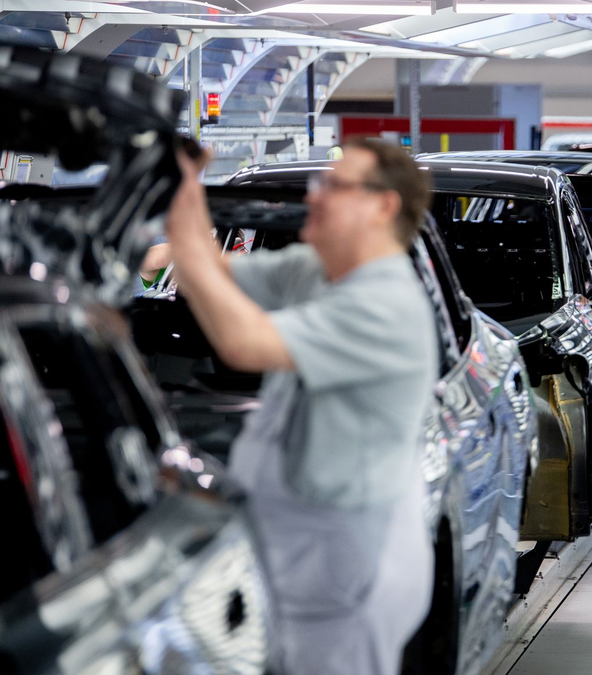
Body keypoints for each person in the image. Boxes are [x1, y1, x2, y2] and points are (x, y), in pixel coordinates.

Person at [165, 138, 437, 675]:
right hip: (298, 554)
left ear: (382, 206)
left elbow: (242, 342)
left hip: (347, 570)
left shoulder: (388, 305)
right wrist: (187, 188)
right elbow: (214, 272)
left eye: (334, 186)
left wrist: (178, 227)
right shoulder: (318, 272)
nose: (315, 197)